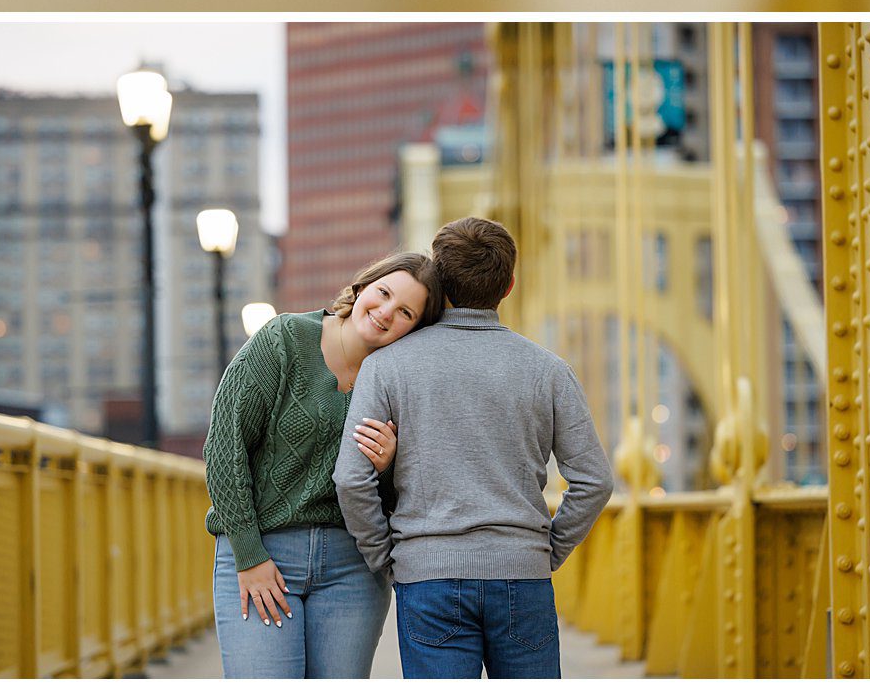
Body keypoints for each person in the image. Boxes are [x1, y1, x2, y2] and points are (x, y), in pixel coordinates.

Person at [335, 214, 614, 679]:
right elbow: (595, 482)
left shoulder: (386, 366)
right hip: (522, 575)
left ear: (439, 284)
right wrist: (544, 550)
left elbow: (350, 478)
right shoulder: (549, 371)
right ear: (508, 287)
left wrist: (387, 559)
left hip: (427, 577)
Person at [204, 252, 443, 678]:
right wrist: (249, 555)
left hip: (352, 569)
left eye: (406, 312)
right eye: (384, 293)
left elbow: (406, 497)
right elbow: (225, 447)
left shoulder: (401, 379)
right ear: (362, 287)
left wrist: (388, 465)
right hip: (265, 553)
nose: (387, 312)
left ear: (415, 328)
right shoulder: (284, 340)